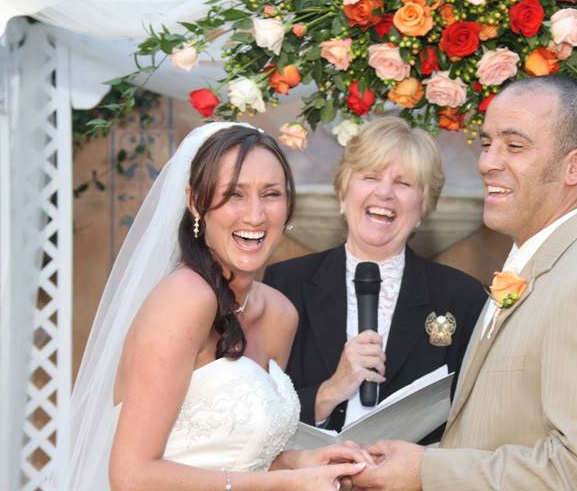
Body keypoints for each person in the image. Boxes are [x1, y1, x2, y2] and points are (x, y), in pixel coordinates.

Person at [350, 76, 577, 490]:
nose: (487, 163)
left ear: (576, 165)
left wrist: (425, 471)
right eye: (486, 144)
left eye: (514, 146)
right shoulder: (540, 264)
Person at [67, 123, 369, 490]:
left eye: (271, 194)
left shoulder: (280, 313)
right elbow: (131, 476)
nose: (255, 216)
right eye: (234, 195)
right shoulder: (184, 299)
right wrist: (288, 484)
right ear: (196, 202)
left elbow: (245, 458)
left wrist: (302, 461)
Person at [262, 117, 485, 440]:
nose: (384, 193)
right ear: (342, 193)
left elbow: (472, 421)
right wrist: (330, 390)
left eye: (404, 183)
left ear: (423, 207)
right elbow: (258, 410)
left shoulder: (461, 298)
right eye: (370, 177)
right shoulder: (284, 284)